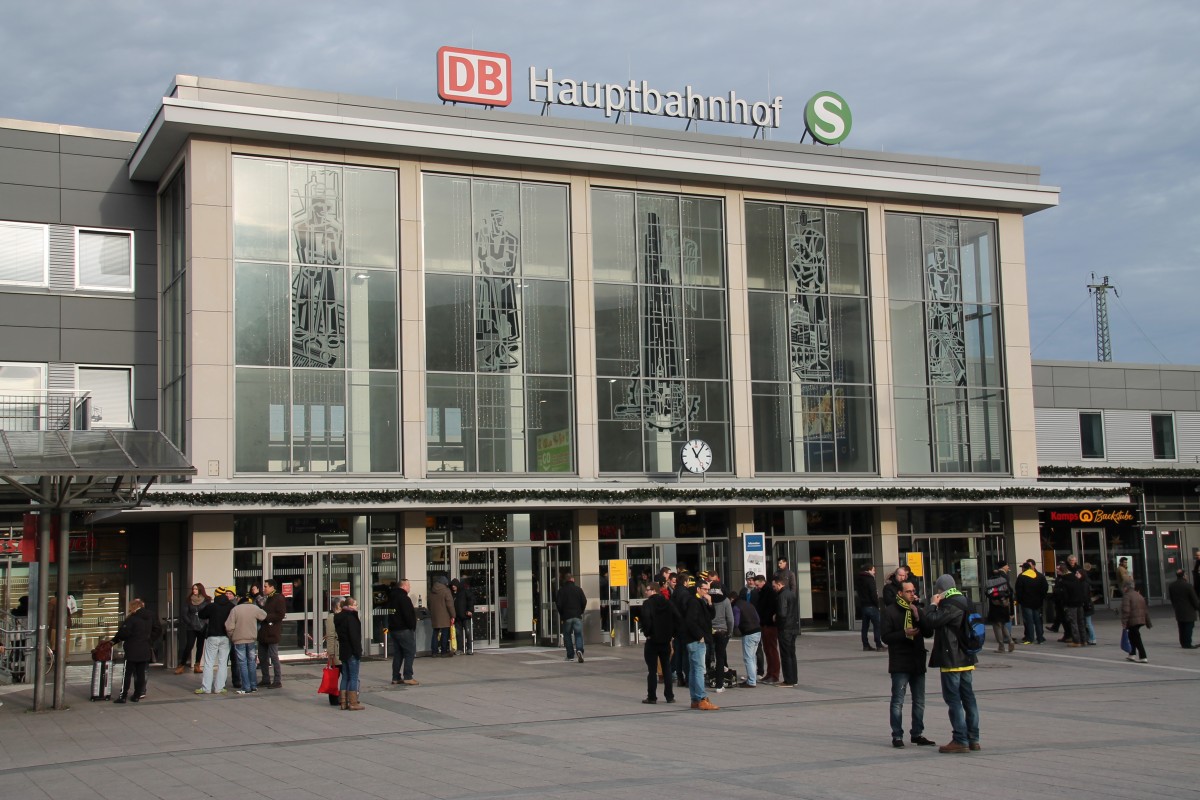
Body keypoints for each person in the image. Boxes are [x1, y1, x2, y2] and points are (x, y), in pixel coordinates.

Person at [923, 574, 981, 753]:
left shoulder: (950, 603)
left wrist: (933, 604)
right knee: (969, 699)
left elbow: (931, 621)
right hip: (967, 657)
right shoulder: (966, 601)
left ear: (940, 590)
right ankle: (973, 738)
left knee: (953, 699)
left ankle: (960, 739)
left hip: (952, 658)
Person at [880, 580, 936, 748]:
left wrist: (919, 616)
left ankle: (917, 733)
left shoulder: (917, 610)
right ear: (900, 594)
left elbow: (928, 632)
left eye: (913, 591)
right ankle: (897, 735)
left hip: (917, 660)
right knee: (898, 700)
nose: (912, 594)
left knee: (919, 700)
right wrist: (904, 633)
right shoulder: (890, 612)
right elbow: (886, 637)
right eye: (908, 591)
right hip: (900, 661)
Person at [111, 598, 161, 704]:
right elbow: (157, 630)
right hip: (145, 648)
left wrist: (113, 641)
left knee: (127, 674)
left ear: (133, 607)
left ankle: (123, 695)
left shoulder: (132, 618)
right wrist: (150, 640)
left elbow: (123, 634)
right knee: (141, 673)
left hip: (132, 649)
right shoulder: (149, 617)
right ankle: (137, 695)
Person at [638, 581, 679, 704]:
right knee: (666, 667)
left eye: (648, 589)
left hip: (653, 640)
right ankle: (669, 696)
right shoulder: (668, 603)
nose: (646, 591)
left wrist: (648, 633)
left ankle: (652, 696)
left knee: (652, 670)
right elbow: (677, 617)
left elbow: (646, 619)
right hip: (665, 640)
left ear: (654, 590)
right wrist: (672, 634)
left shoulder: (647, 604)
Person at [681, 576, 718, 710]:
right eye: (704, 589)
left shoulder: (701, 601)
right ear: (698, 589)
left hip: (694, 640)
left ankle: (695, 700)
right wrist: (700, 636)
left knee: (693, 670)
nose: (707, 592)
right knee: (699, 670)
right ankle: (702, 698)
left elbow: (710, 616)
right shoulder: (694, 602)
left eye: (708, 589)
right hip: (696, 641)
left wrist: (710, 603)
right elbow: (690, 621)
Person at [196, 586, 236, 695]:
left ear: (216, 595)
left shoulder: (212, 606)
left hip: (212, 636)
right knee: (223, 663)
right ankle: (219, 688)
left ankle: (206, 688)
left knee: (209, 663)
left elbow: (201, 614)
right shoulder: (231, 606)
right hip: (225, 637)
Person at [226, 594, 266, 694]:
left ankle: (246, 687)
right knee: (252, 662)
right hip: (251, 639)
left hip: (239, 639)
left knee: (242, 663)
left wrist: (232, 636)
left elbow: (229, 626)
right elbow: (264, 615)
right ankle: (253, 686)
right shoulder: (254, 608)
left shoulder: (235, 609)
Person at [335, 596, 365, 710]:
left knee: (345, 676)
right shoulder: (351, 617)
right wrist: (358, 651)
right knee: (353, 676)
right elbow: (354, 636)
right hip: (352, 650)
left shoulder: (339, 617)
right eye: (356, 605)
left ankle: (343, 702)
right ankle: (353, 702)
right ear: (351, 606)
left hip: (343, 650)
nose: (357, 607)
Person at [388, 579, 419, 685]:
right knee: (410, 652)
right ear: (404, 586)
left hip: (394, 629)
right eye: (409, 585)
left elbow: (391, 613)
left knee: (398, 653)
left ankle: (395, 677)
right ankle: (408, 676)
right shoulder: (404, 598)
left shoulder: (392, 597)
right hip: (404, 629)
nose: (410, 587)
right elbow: (408, 615)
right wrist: (412, 626)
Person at [175, 583, 211, 675]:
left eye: (196, 589)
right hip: (191, 626)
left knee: (200, 646)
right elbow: (184, 614)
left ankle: (197, 665)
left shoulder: (206, 600)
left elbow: (209, 613)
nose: (194, 591)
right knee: (189, 645)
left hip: (202, 626)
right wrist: (190, 623)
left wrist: (206, 623)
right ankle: (181, 665)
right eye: (193, 589)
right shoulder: (188, 600)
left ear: (200, 590)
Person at [258, 579, 286, 688]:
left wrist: (266, 617)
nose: (264, 588)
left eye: (266, 586)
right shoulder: (266, 598)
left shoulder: (278, 598)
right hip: (263, 632)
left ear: (272, 587)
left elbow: (280, 614)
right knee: (262, 656)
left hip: (272, 632)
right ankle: (266, 678)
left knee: (273, 656)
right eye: (264, 586)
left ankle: (277, 680)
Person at [773, 576, 800, 688]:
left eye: (774, 586)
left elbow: (782, 613)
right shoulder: (791, 594)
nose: (774, 588)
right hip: (793, 627)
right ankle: (793, 679)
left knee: (785, 655)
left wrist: (776, 618)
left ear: (780, 584)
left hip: (785, 628)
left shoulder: (782, 596)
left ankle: (788, 680)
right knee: (792, 654)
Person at [732, 589, 761, 688]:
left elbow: (736, 622)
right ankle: (752, 679)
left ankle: (752, 681)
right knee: (752, 657)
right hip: (757, 631)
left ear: (732, 599)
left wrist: (735, 630)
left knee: (748, 658)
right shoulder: (749, 604)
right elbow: (757, 618)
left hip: (748, 633)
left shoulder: (736, 606)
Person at [755, 574, 782, 682]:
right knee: (767, 650)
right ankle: (770, 673)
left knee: (771, 649)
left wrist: (767, 620)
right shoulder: (763, 592)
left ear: (762, 582)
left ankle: (774, 674)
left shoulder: (769, 592)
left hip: (769, 625)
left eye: (758, 584)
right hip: (765, 623)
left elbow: (770, 608)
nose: (757, 587)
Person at [1014, 559, 1048, 644]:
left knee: (1029, 621)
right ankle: (1040, 638)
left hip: (1026, 603)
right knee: (1038, 621)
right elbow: (1045, 588)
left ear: (1024, 569)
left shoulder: (1021, 577)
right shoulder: (1040, 576)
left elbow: (1018, 591)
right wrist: (1041, 598)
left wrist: (1020, 600)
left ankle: (1030, 638)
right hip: (1037, 603)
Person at [708, 576, 733, 691]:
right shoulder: (726, 600)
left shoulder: (707, 599)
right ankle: (719, 685)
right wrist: (730, 631)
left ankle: (707, 678)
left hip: (709, 631)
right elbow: (730, 619)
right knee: (720, 657)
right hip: (722, 631)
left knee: (707, 656)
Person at [984, 561, 1015, 653]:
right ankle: (1010, 640)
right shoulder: (1005, 577)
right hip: (1004, 604)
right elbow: (1010, 591)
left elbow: (988, 592)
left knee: (997, 625)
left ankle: (1001, 646)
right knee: (1003, 624)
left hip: (995, 604)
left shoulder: (991, 578)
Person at [556, 573, 587, 663]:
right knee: (578, 634)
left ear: (565, 580)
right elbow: (584, 601)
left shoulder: (561, 591)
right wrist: (581, 611)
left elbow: (558, 604)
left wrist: (562, 614)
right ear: (573, 579)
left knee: (567, 635)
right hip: (577, 616)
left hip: (567, 617)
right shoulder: (578, 590)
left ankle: (570, 655)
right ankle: (579, 650)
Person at [1167, 569, 1200, 648]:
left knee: (1181, 627)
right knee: (1189, 627)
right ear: (1184, 576)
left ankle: (1183, 643)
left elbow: (1171, 598)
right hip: (1189, 610)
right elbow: (1194, 599)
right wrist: (1198, 608)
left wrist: (1175, 606)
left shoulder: (1172, 585)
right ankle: (1187, 644)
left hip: (1178, 610)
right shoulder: (1188, 586)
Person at [855, 563, 885, 652]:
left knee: (865, 626)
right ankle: (879, 645)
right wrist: (877, 604)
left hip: (863, 605)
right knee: (877, 625)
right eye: (873, 570)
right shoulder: (870, 579)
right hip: (871, 605)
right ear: (869, 570)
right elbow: (873, 593)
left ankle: (865, 644)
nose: (874, 572)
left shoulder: (859, 579)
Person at [1121, 580, 1150, 663]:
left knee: (1136, 637)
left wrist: (1124, 623)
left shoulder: (1127, 596)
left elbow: (1126, 610)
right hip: (1140, 619)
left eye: (1123, 587)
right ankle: (1132, 654)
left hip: (1132, 620)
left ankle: (1143, 656)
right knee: (1132, 636)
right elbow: (1145, 609)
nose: (1123, 589)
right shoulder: (1138, 595)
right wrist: (1148, 622)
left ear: (1126, 587)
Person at [1059, 563, 1088, 647]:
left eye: (1058, 570)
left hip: (1071, 604)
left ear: (1062, 571)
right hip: (1079, 602)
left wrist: (1065, 604)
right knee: (1081, 622)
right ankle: (1084, 640)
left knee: (1073, 622)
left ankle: (1077, 641)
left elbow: (1065, 594)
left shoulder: (1064, 580)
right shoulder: (1075, 579)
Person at [429, 575, 456, 657]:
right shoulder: (446, 591)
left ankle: (434, 652)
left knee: (435, 633)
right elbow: (450, 604)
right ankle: (443, 652)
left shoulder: (432, 591)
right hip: (445, 616)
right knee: (445, 633)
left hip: (435, 615)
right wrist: (453, 615)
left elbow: (429, 603)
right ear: (445, 583)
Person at [324, 597, 343, 706]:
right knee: (335, 675)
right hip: (336, 651)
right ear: (337, 605)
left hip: (343, 650)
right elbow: (330, 636)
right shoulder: (332, 617)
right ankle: (334, 698)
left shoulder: (343, 616)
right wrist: (330, 652)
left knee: (343, 673)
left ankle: (343, 697)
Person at [452, 578, 476, 655]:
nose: (453, 586)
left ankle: (469, 648)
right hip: (457, 617)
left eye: (454, 585)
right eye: (452, 585)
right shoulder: (453, 594)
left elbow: (471, 600)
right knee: (458, 634)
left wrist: (470, 610)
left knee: (468, 632)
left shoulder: (464, 591)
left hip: (466, 616)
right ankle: (460, 649)